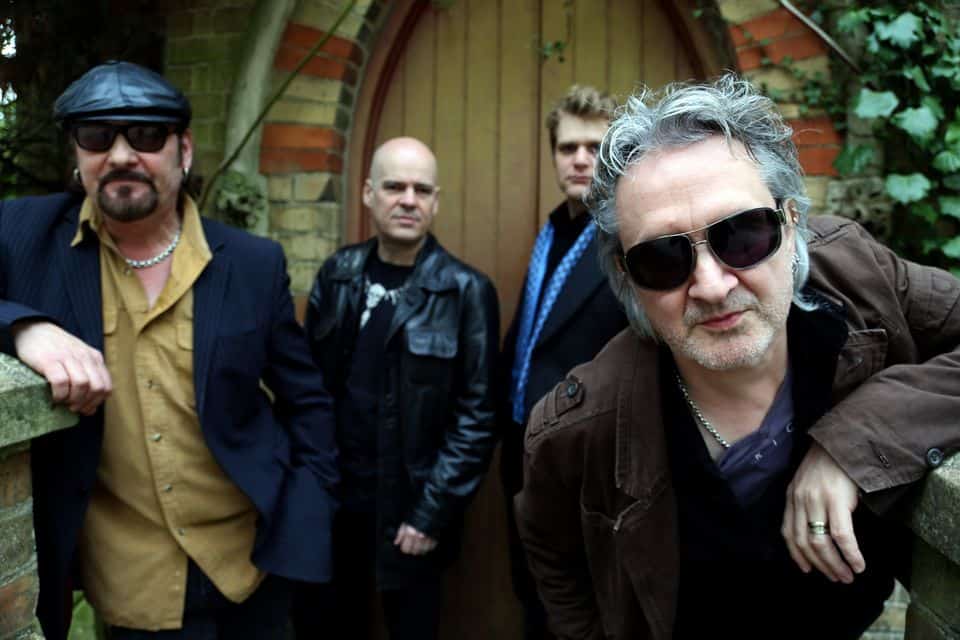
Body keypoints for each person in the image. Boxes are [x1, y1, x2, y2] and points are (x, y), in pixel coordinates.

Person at [515, 74, 960, 639]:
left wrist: (851, 444)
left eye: (744, 234)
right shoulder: (576, 429)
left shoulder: (860, 279)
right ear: (627, 278)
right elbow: (552, 556)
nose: (711, 285)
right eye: (662, 258)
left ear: (792, 221)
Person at [0, 61, 338, 640]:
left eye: (146, 135)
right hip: (131, 590)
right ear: (77, 157)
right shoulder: (24, 234)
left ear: (184, 151)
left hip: (252, 568)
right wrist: (23, 328)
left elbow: (308, 404)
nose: (121, 155)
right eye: (97, 136)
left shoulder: (253, 264)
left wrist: (306, 519)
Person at [294, 137, 499, 640]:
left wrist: (430, 514)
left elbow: (477, 417)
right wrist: (308, 493)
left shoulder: (466, 291)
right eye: (394, 187)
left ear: (436, 201)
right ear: (368, 193)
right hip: (333, 506)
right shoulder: (337, 275)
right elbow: (307, 393)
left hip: (411, 512)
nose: (409, 200)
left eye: (421, 190)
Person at [499, 85, 627, 639]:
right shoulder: (553, 231)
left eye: (594, 147)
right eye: (567, 147)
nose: (579, 159)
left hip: (588, 467)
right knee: (532, 599)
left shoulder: (626, 239)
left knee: (577, 613)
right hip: (525, 456)